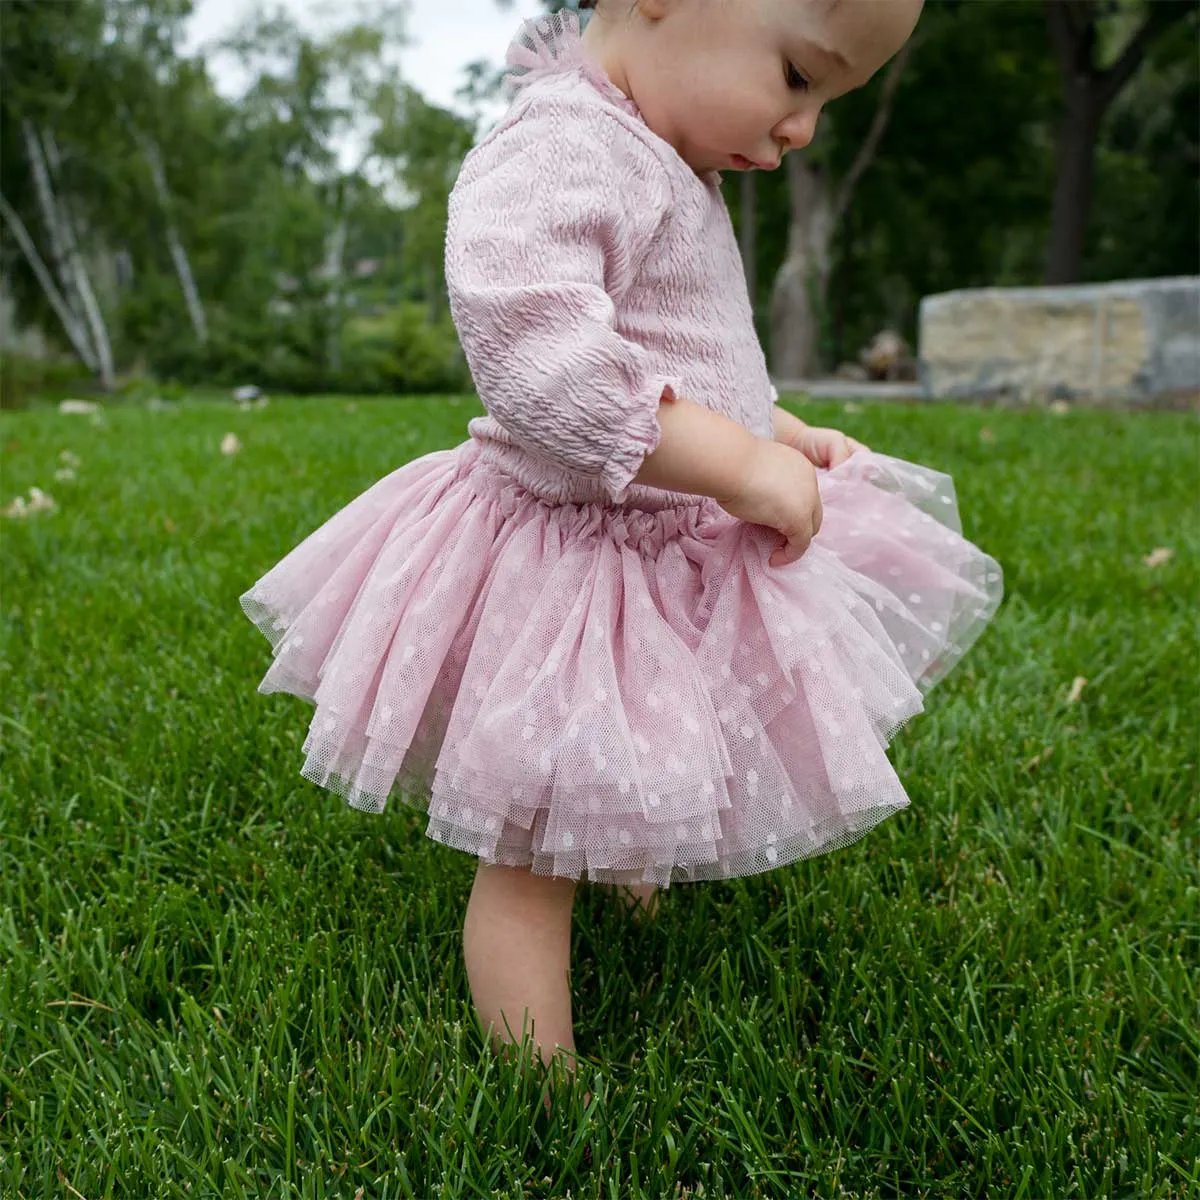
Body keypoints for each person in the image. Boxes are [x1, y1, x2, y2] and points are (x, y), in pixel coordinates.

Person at [239, 0, 1002, 1100]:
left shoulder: (668, 154)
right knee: (532, 848)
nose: (803, 130)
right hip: (572, 557)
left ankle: (633, 893)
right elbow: (538, 351)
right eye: (796, 75)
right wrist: (738, 470)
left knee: (637, 746)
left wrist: (771, 430)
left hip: (656, 544)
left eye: (827, 101)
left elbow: (681, 350)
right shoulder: (559, 145)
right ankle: (537, 1082)